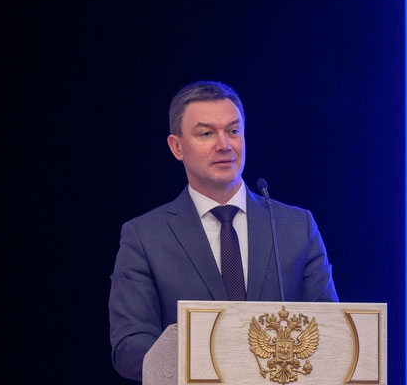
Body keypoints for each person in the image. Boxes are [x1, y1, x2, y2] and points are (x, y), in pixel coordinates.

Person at [109, 81, 338, 381]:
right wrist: (212, 360)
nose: (224, 145)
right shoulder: (144, 237)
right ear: (177, 147)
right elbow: (129, 348)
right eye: (206, 134)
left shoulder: (296, 226)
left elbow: (333, 332)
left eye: (233, 131)